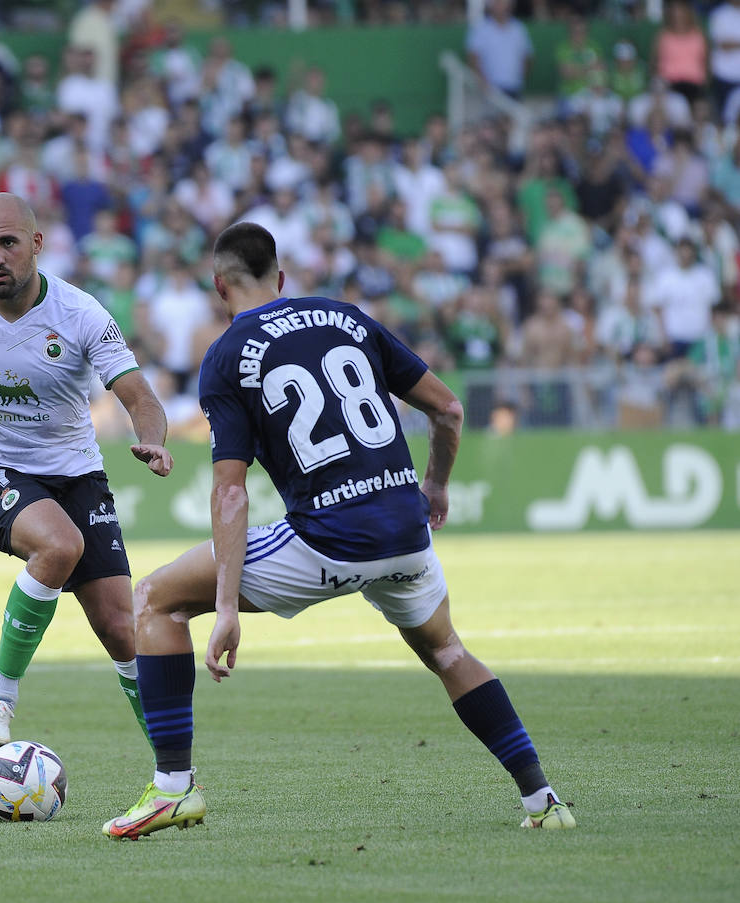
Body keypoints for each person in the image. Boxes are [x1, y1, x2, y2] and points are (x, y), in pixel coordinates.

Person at [103, 223, 574, 840]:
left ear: (220, 286)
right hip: (406, 531)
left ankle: (172, 789)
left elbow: (229, 489)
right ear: (283, 275)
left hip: (328, 538)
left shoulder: (226, 354)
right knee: (448, 651)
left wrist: (223, 606)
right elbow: (450, 408)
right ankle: (543, 800)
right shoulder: (345, 316)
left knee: (155, 600)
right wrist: (435, 485)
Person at [0, 193, 174, 747]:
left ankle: (173, 772)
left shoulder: (81, 315)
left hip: (77, 474)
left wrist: (151, 440)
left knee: (122, 631)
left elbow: (140, 398)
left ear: (37, 243)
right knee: (59, 546)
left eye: (7, 242)